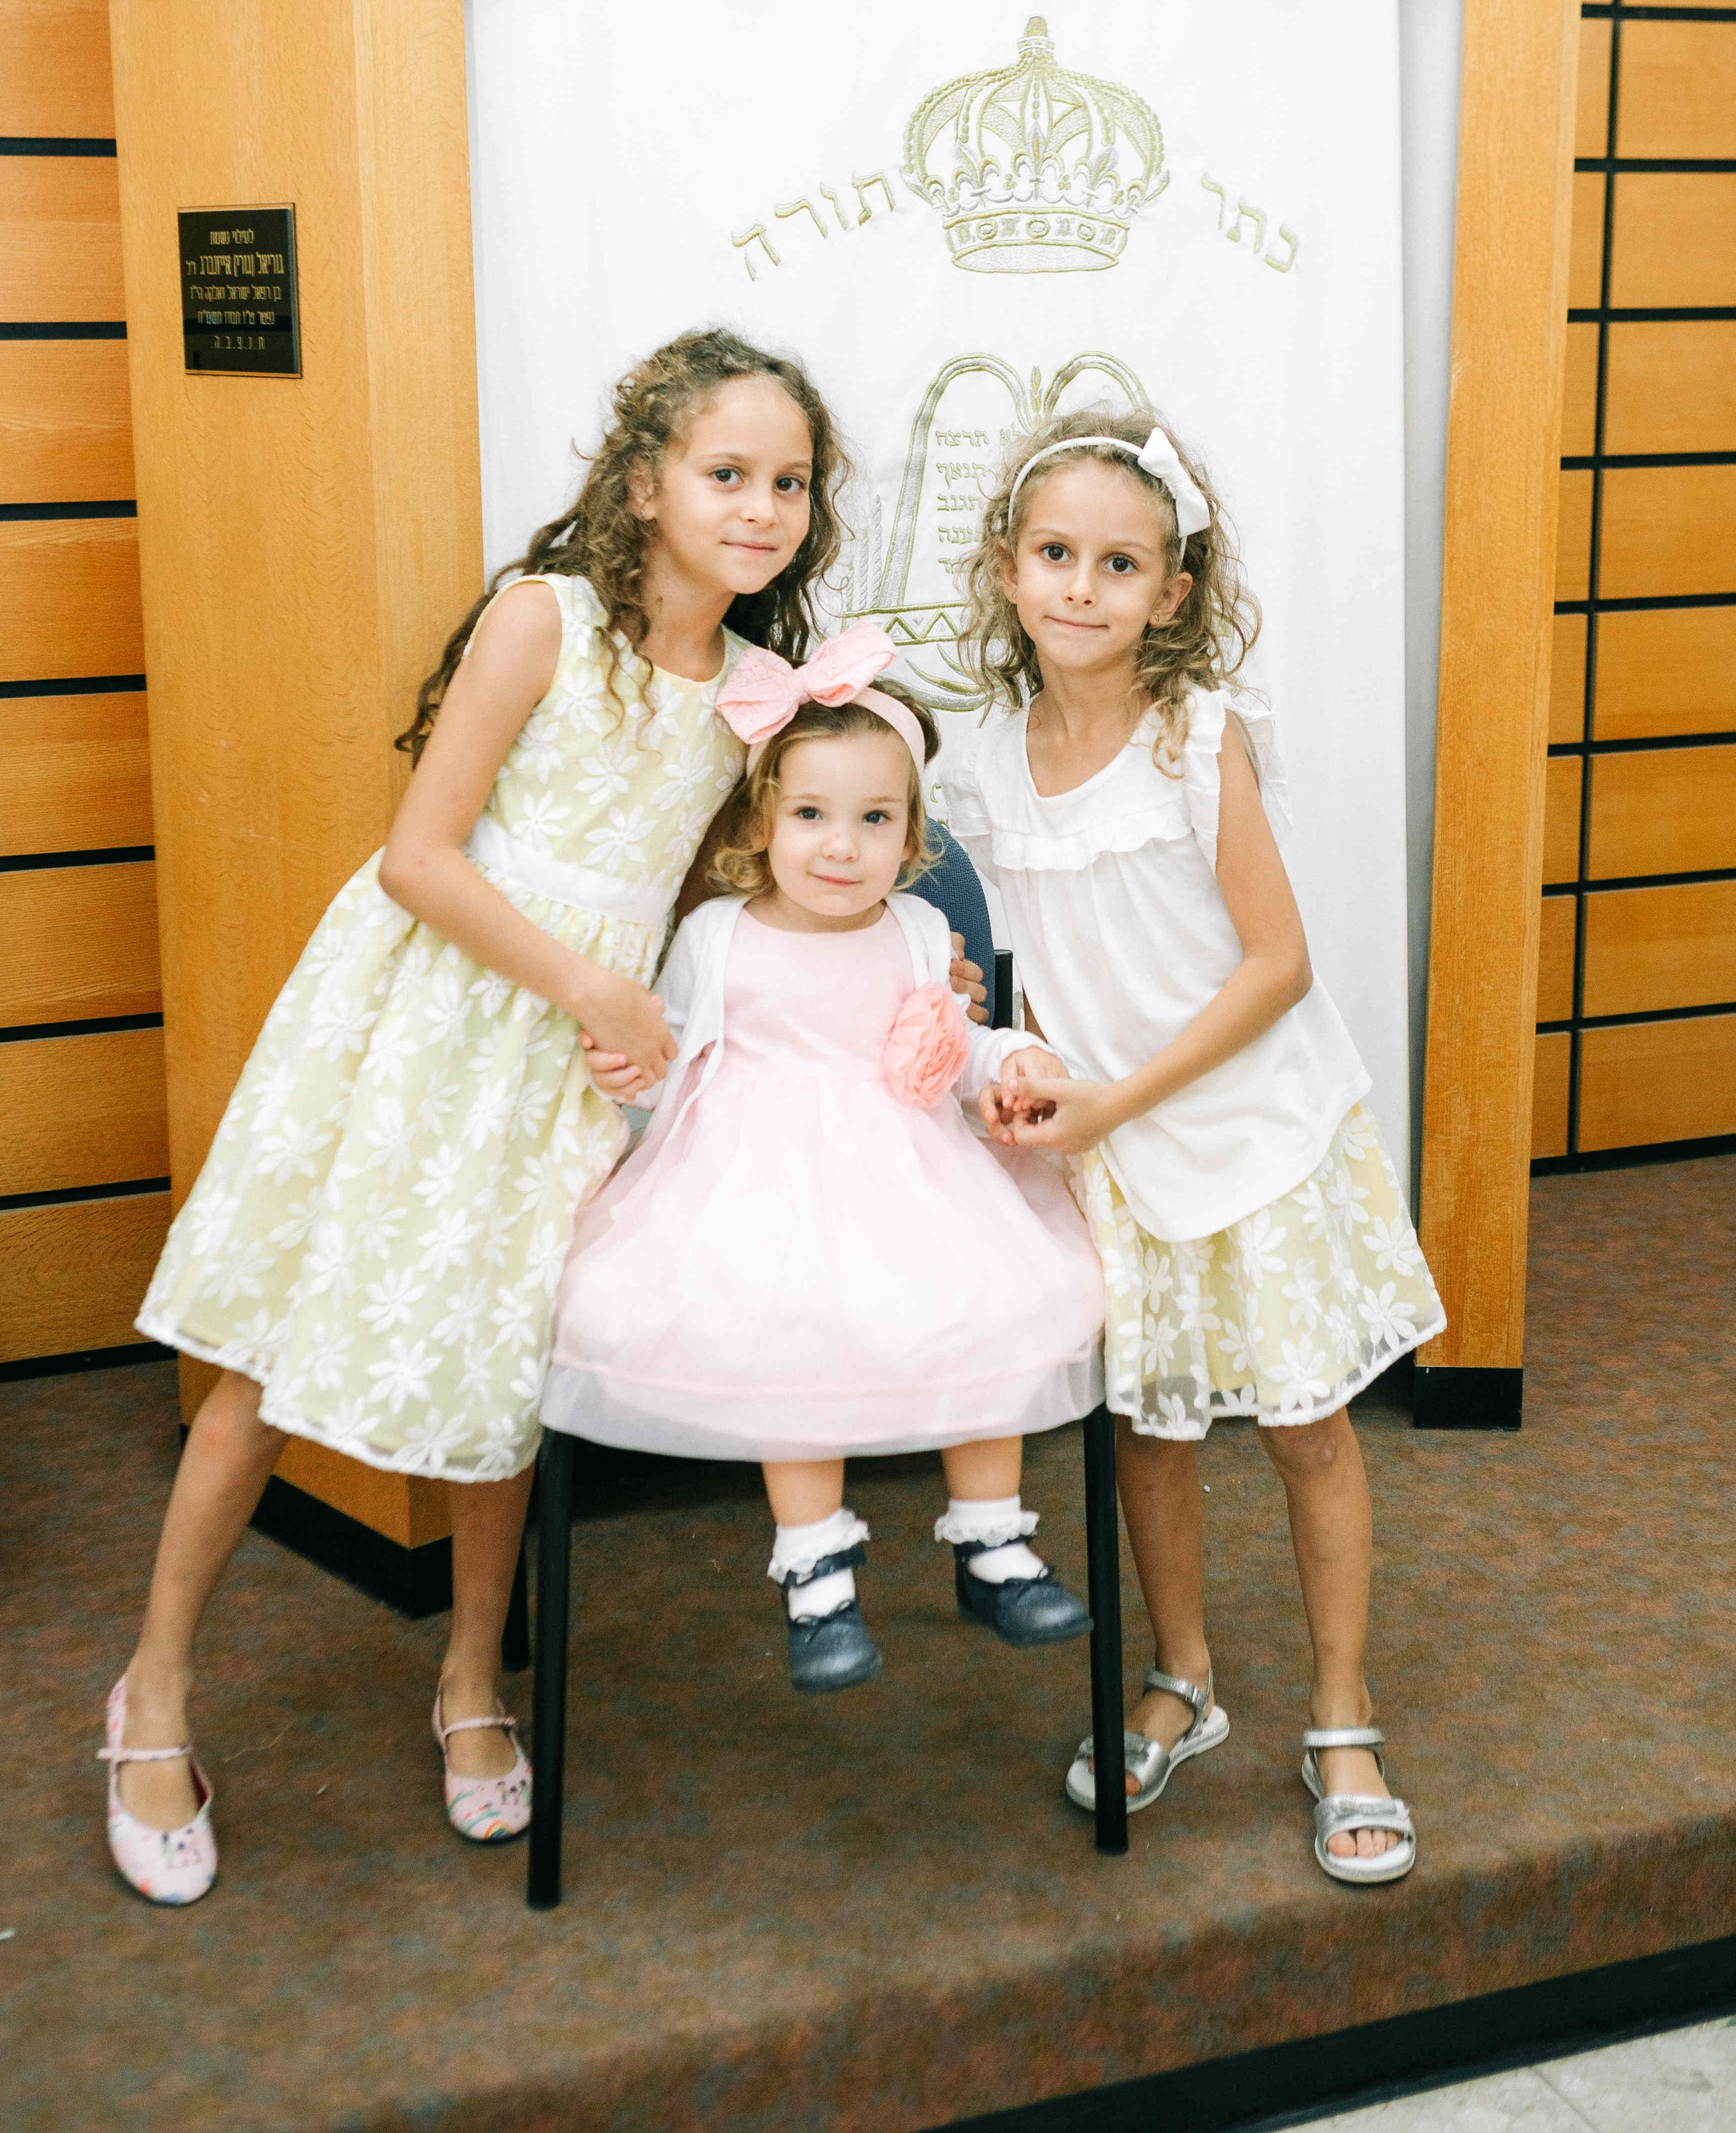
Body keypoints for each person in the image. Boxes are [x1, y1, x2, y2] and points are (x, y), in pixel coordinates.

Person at [100, 328, 854, 1903]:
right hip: (434, 1021)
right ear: (643, 483)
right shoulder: (544, 620)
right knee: (272, 1356)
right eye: (727, 473)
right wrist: (590, 989)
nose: (761, 508)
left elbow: (715, 885)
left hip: (574, 1067)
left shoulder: (751, 690)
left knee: (507, 1369)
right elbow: (419, 858)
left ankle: (468, 1677)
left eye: (789, 483)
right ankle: (151, 1690)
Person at [943, 408, 1445, 1884]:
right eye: (1055, 554)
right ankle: (1183, 1676)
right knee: (1148, 1430)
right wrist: (1020, 1057)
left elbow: (1276, 965)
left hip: (1253, 1131)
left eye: (1119, 564)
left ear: (1170, 593)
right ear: (1006, 568)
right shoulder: (981, 758)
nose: (1081, 586)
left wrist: (1117, 1098)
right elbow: (1028, 961)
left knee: (1303, 1427)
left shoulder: (1194, 736)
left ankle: (1341, 1714)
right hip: (1113, 1151)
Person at [542, 624, 1106, 1692]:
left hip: (912, 1176)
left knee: (989, 1301)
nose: (841, 847)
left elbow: (954, 1045)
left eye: (874, 819)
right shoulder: (717, 936)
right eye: (810, 816)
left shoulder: (916, 932)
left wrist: (1013, 1056)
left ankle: (992, 1543)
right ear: (763, 821)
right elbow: (672, 1055)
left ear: (910, 833)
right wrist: (628, 1072)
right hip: (751, 1184)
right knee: (785, 1333)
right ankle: (816, 1573)